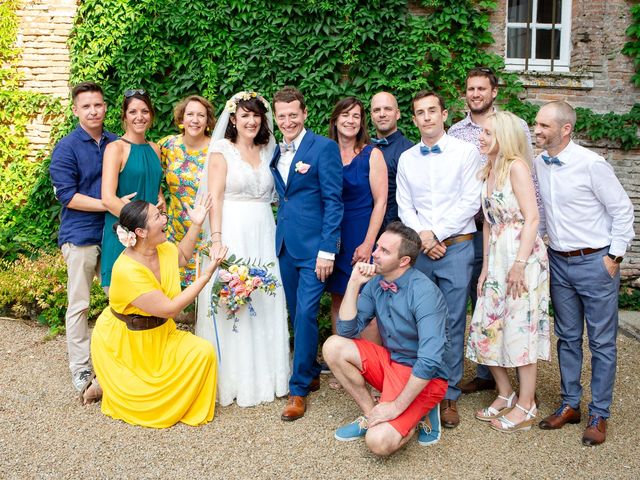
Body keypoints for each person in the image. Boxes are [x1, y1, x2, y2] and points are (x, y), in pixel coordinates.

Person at [533, 101, 634, 446]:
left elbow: (622, 210)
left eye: (544, 125)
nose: (537, 130)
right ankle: (570, 403)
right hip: (558, 262)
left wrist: (614, 257)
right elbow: (544, 211)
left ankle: (599, 412)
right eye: (537, 124)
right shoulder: (538, 163)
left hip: (595, 262)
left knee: (603, 341)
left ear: (565, 129)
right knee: (568, 337)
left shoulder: (592, 164)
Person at [91, 198, 227, 427]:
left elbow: (182, 257)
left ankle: (173, 403)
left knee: (203, 353)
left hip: (161, 335)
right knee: (139, 400)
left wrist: (196, 224)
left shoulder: (162, 249)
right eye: (158, 217)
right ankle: (105, 383)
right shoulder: (127, 270)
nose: (165, 218)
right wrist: (207, 274)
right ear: (140, 232)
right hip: (128, 345)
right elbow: (171, 308)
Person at [195, 91, 290, 407]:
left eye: (256, 115)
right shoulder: (222, 150)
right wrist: (218, 238)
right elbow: (216, 197)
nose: (251, 121)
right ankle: (233, 380)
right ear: (232, 119)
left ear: (264, 119)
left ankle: (268, 376)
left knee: (264, 296)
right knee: (231, 298)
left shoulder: (269, 150)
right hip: (232, 228)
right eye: (244, 115)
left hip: (263, 230)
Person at [448, 67, 538, 394]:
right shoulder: (456, 132)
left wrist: (532, 235)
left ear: (494, 91)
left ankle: (522, 387)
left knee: (516, 311)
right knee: (483, 305)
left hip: (513, 235)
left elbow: (530, 187)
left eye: (481, 88)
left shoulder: (514, 128)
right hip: (477, 230)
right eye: (470, 89)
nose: (475, 94)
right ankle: (491, 377)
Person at [323, 222, 448, 456]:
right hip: (390, 363)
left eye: (384, 251)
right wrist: (353, 284)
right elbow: (347, 330)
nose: (374, 254)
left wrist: (395, 408)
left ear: (404, 261)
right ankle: (372, 415)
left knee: (378, 443)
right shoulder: (375, 284)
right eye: (377, 247)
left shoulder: (424, 292)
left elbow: (430, 361)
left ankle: (420, 412)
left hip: (424, 377)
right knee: (333, 346)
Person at [396, 90, 482, 428]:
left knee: (452, 321)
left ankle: (448, 394)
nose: (427, 117)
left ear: (444, 114)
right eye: (420, 112)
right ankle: (418, 388)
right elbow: (405, 206)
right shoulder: (407, 158)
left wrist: (437, 234)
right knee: (417, 319)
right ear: (414, 119)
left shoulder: (466, 152)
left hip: (457, 247)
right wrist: (423, 237)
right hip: (420, 249)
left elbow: (470, 201)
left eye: (433, 110)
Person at [465, 111, 550, 432]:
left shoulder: (516, 167)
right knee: (485, 326)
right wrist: (486, 268)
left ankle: (527, 405)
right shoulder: (489, 169)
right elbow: (488, 223)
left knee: (519, 328)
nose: (481, 137)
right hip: (497, 259)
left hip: (522, 258)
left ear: (505, 137)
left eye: (488, 133)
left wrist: (518, 264)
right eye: (482, 132)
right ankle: (506, 392)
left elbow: (532, 218)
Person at [270, 86, 343, 421]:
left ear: (304, 113)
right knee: (296, 313)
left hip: (315, 250)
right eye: (281, 115)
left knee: (304, 314)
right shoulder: (276, 150)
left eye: (293, 115)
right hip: (285, 245)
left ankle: (297, 390)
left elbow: (333, 201)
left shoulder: (323, 148)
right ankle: (311, 368)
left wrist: (328, 250)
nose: (287, 121)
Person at [49, 81, 123, 400]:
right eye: (86, 106)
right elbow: (67, 196)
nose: (93, 111)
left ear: (105, 107)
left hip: (113, 233)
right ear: (76, 110)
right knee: (79, 304)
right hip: (79, 234)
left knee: (120, 298)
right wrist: (109, 203)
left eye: (98, 105)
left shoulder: (116, 144)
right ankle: (81, 369)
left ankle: (119, 366)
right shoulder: (67, 147)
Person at [326, 96, 387, 333]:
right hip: (334, 235)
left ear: (362, 122)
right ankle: (339, 357)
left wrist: (368, 244)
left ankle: (368, 365)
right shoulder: (325, 153)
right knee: (338, 299)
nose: (350, 120)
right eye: (345, 115)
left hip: (361, 233)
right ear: (335, 119)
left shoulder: (372, 155)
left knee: (365, 300)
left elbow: (380, 202)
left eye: (356, 116)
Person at [100, 89, 164, 290]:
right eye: (133, 112)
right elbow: (108, 199)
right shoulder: (115, 148)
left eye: (145, 111)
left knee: (153, 302)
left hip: (151, 237)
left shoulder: (155, 149)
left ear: (151, 115)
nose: (139, 117)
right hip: (125, 233)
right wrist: (138, 224)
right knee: (123, 305)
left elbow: (155, 187)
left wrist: (161, 201)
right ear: (124, 116)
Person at [159, 95, 216, 287]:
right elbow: (150, 174)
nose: (195, 119)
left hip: (206, 227)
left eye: (201, 115)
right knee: (171, 284)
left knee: (206, 284)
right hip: (175, 227)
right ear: (181, 119)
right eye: (190, 114)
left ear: (207, 121)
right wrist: (159, 197)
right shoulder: (167, 145)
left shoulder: (217, 149)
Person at [369, 92, 413, 228]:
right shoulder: (363, 149)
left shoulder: (410, 152)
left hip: (395, 232)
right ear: (371, 116)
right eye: (377, 110)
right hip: (363, 230)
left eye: (388, 109)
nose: (382, 114)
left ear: (398, 114)